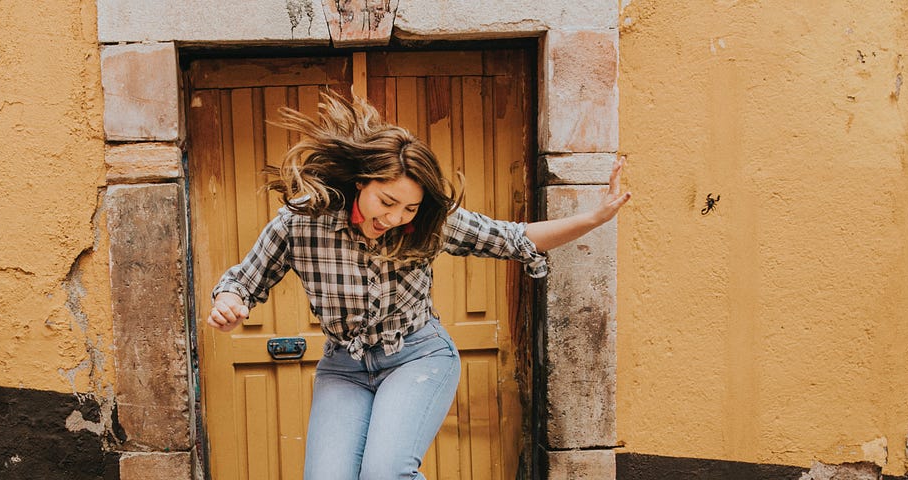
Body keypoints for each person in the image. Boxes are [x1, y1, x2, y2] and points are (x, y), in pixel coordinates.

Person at [206, 93, 629, 480]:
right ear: (361, 183)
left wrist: (595, 218)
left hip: (417, 356)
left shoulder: (429, 223)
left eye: (409, 208)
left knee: (385, 473)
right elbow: (244, 280)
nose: (394, 218)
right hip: (344, 368)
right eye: (387, 202)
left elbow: (513, 237)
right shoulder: (303, 221)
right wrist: (229, 302)